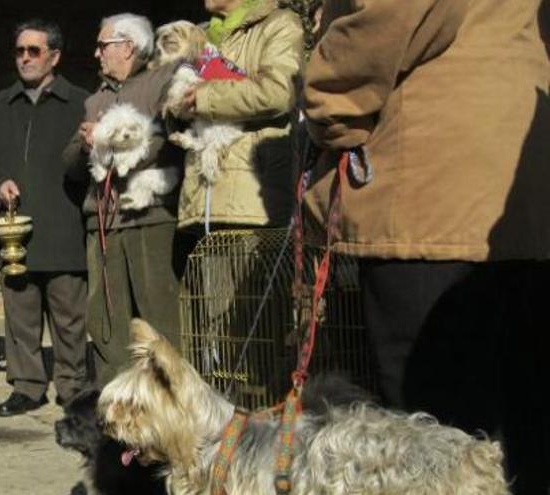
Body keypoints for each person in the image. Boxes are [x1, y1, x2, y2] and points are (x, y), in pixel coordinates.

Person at [302, 1, 550, 493]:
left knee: (435, 447)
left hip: (435, 183)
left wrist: (322, 97)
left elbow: (393, 13)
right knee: (523, 427)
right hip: (517, 180)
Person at [0, 19, 90, 415]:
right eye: (19, 51)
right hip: (12, 233)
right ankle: (27, 385)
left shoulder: (80, 103)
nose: (24, 58)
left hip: (64, 226)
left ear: (54, 56)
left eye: (33, 51)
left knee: (70, 319)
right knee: (20, 319)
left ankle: (72, 385)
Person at [63, 13, 186, 386]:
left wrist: (106, 141)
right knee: (105, 318)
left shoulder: (162, 84)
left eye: (103, 46)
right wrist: (86, 144)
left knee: (159, 318)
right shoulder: (95, 99)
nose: (96, 53)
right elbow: (70, 163)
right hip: (103, 221)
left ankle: (172, 400)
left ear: (127, 46)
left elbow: (162, 145)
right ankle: (113, 402)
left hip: (149, 217)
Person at [176, 0, 303, 232]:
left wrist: (204, 98)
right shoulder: (200, 35)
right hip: (201, 201)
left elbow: (278, 93)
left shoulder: (280, 23)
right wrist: (175, 105)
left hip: (252, 202)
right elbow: (176, 98)